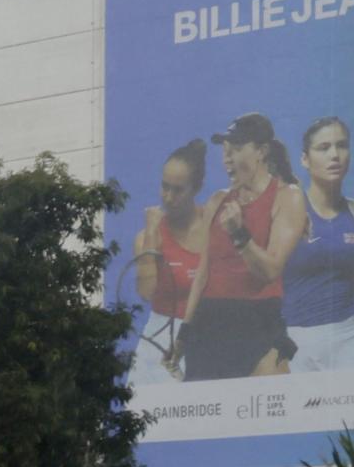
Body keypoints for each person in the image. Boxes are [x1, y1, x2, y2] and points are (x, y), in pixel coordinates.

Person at [181, 114, 298, 379]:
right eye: (225, 152)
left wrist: (239, 234)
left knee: (270, 417)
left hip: (259, 319)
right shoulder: (216, 201)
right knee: (207, 417)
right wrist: (185, 331)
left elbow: (270, 270)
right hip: (209, 323)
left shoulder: (287, 196)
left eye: (235, 150)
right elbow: (202, 272)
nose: (227, 159)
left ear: (262, 151)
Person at [279, 116, 354, 371]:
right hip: (295, 338)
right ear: (305, 159)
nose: (335, 155)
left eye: (342, 145)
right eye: (324, 148)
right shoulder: (286, 212)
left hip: (346, 335)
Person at [123, 141, 210, 388]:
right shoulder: (148, 237)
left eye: (178, 190)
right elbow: (146, 292)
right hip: (160, 337)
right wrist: (152, 234)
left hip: (207, 334)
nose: (168, 197)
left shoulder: (215, 226)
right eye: (165, 187)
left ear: (196, 188)